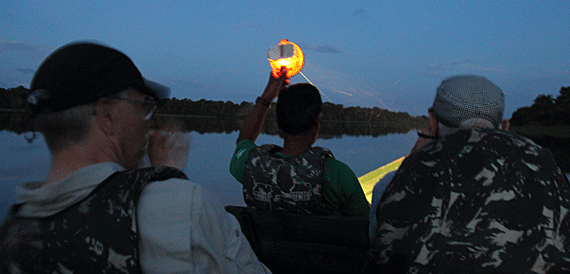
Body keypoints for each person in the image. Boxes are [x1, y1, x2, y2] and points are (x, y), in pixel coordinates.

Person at [0, 42, 270, 274]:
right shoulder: (186, 206)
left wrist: (162, 175)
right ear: (107, 114)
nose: (148, 124)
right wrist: (171, 183)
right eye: (143, 106)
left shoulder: (11, 234)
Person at [366, 75, 570, 273]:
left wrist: (414, 160)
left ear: (432, 121)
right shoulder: (546, 167)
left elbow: (380, 250)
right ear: (504, 126)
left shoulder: (394, 183)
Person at [229, 69, 369, 216]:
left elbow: (243, 141)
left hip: (266, 239)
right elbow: (366, 223)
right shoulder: (336, 173)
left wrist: (267, 96)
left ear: (278, 124)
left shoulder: (250, 165)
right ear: (317, 121)